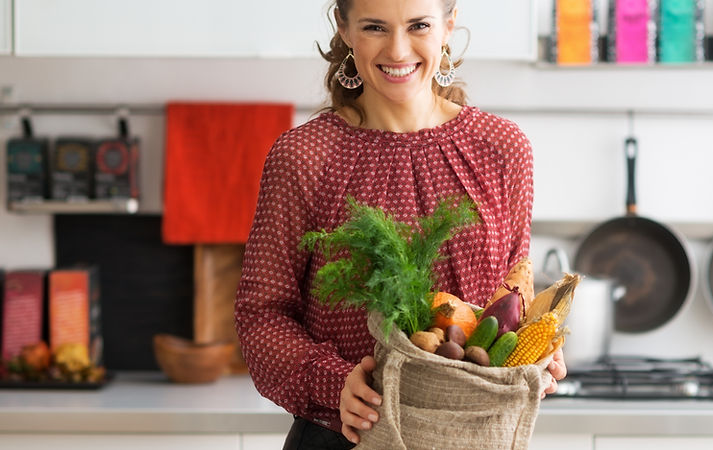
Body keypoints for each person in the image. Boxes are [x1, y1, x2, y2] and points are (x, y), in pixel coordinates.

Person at [234, 0, 567, 448]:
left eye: (418, 26)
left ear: (448, 27)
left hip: (473, 435)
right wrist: (336, 384)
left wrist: (536, 353)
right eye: (375, 27)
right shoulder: (305, 157)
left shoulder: (502, 149)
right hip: (347, 435)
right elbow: (261, 315)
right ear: (345, 28)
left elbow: (511, 301)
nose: (397, 49)